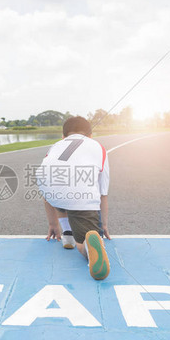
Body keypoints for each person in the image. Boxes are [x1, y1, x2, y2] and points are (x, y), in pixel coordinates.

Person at [37, 116, 111, 280]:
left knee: (55, 188)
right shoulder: (98, 147)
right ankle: (86, 247)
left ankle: (66, 233)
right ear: (90, 135)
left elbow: (45, 181)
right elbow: (102, 192)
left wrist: (52, 223)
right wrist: (103, 225)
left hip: (50, 192)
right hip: (79, 197)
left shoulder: (55, 146)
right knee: (86, 236)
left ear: (63, 137)